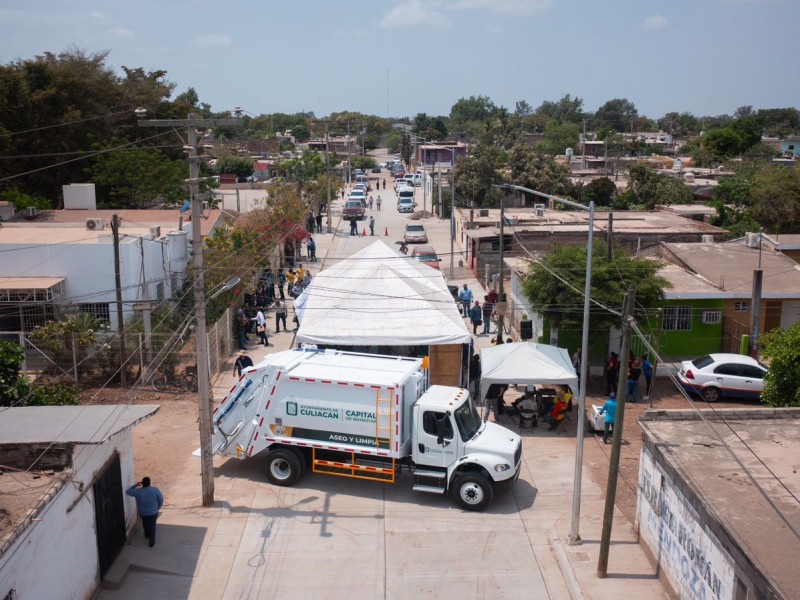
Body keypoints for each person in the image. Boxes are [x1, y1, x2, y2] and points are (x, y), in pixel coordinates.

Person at [126, 477, 163, 547]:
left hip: (143, 512)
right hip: (153, 512)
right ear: (149, 483)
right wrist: (158, 507)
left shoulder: (137, 491)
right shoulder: (155, 490)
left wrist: (136, 485)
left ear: (142, 483)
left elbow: (128, 491)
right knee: (152, 525)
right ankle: (152, 541)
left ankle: (147, 534)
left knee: (145, 523)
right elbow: (160, 499)